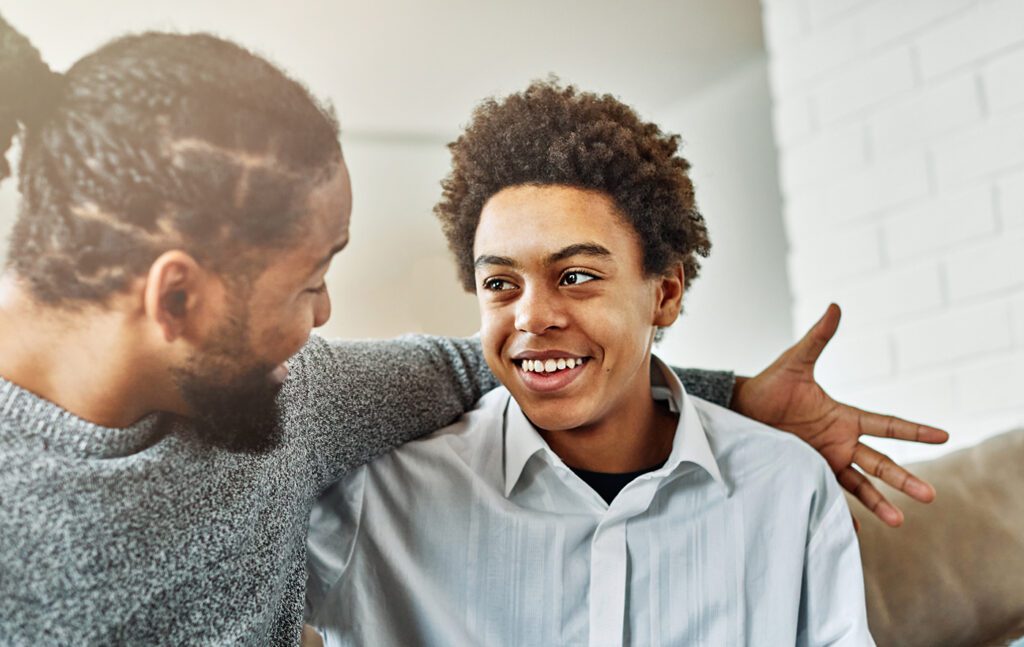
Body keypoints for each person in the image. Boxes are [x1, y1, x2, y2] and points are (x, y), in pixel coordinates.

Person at [0, 18, 943, 645]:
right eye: (311, 283)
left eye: (575, 273)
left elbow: (480, 362)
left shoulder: (300, 400)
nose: (323, 322)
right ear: (178, 301)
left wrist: (733, 397)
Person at [307, 81, 880, 645]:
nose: (532, 317)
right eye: (500, 283)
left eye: (576, 276)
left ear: (665, 293)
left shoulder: (786, 486)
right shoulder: (377, 498)